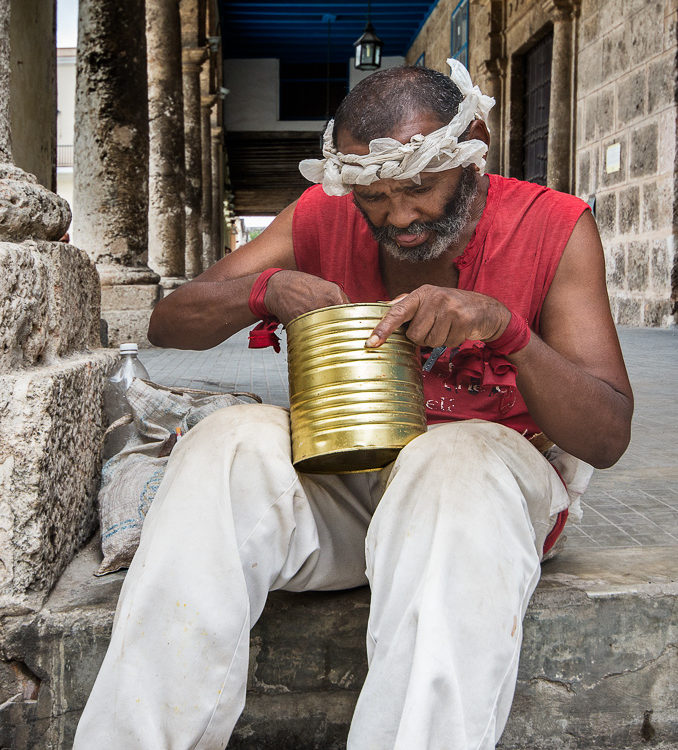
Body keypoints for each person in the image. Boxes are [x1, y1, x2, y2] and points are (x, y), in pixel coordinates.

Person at [74, 61, 633, 749]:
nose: (398, 215)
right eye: (374, 196)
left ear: (474, 146)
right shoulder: (323, 215)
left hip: (481, 507)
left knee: (449, 457)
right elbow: (169, 323)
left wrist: (506, 328)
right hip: (347, 490)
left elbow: (607, 434)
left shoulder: (552, 225)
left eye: (420, 187)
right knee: (227, 442)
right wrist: (265, 289)